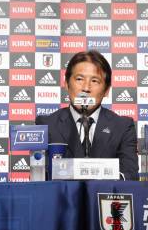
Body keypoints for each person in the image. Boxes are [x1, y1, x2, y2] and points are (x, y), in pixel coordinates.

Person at [36, 50, 139, 180]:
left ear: (106, 90)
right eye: (79, 79)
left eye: (95, 81)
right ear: (66, 84)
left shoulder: (123, 127)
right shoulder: (47, 124)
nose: (86, 88)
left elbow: (130, 175)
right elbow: (40, 177)